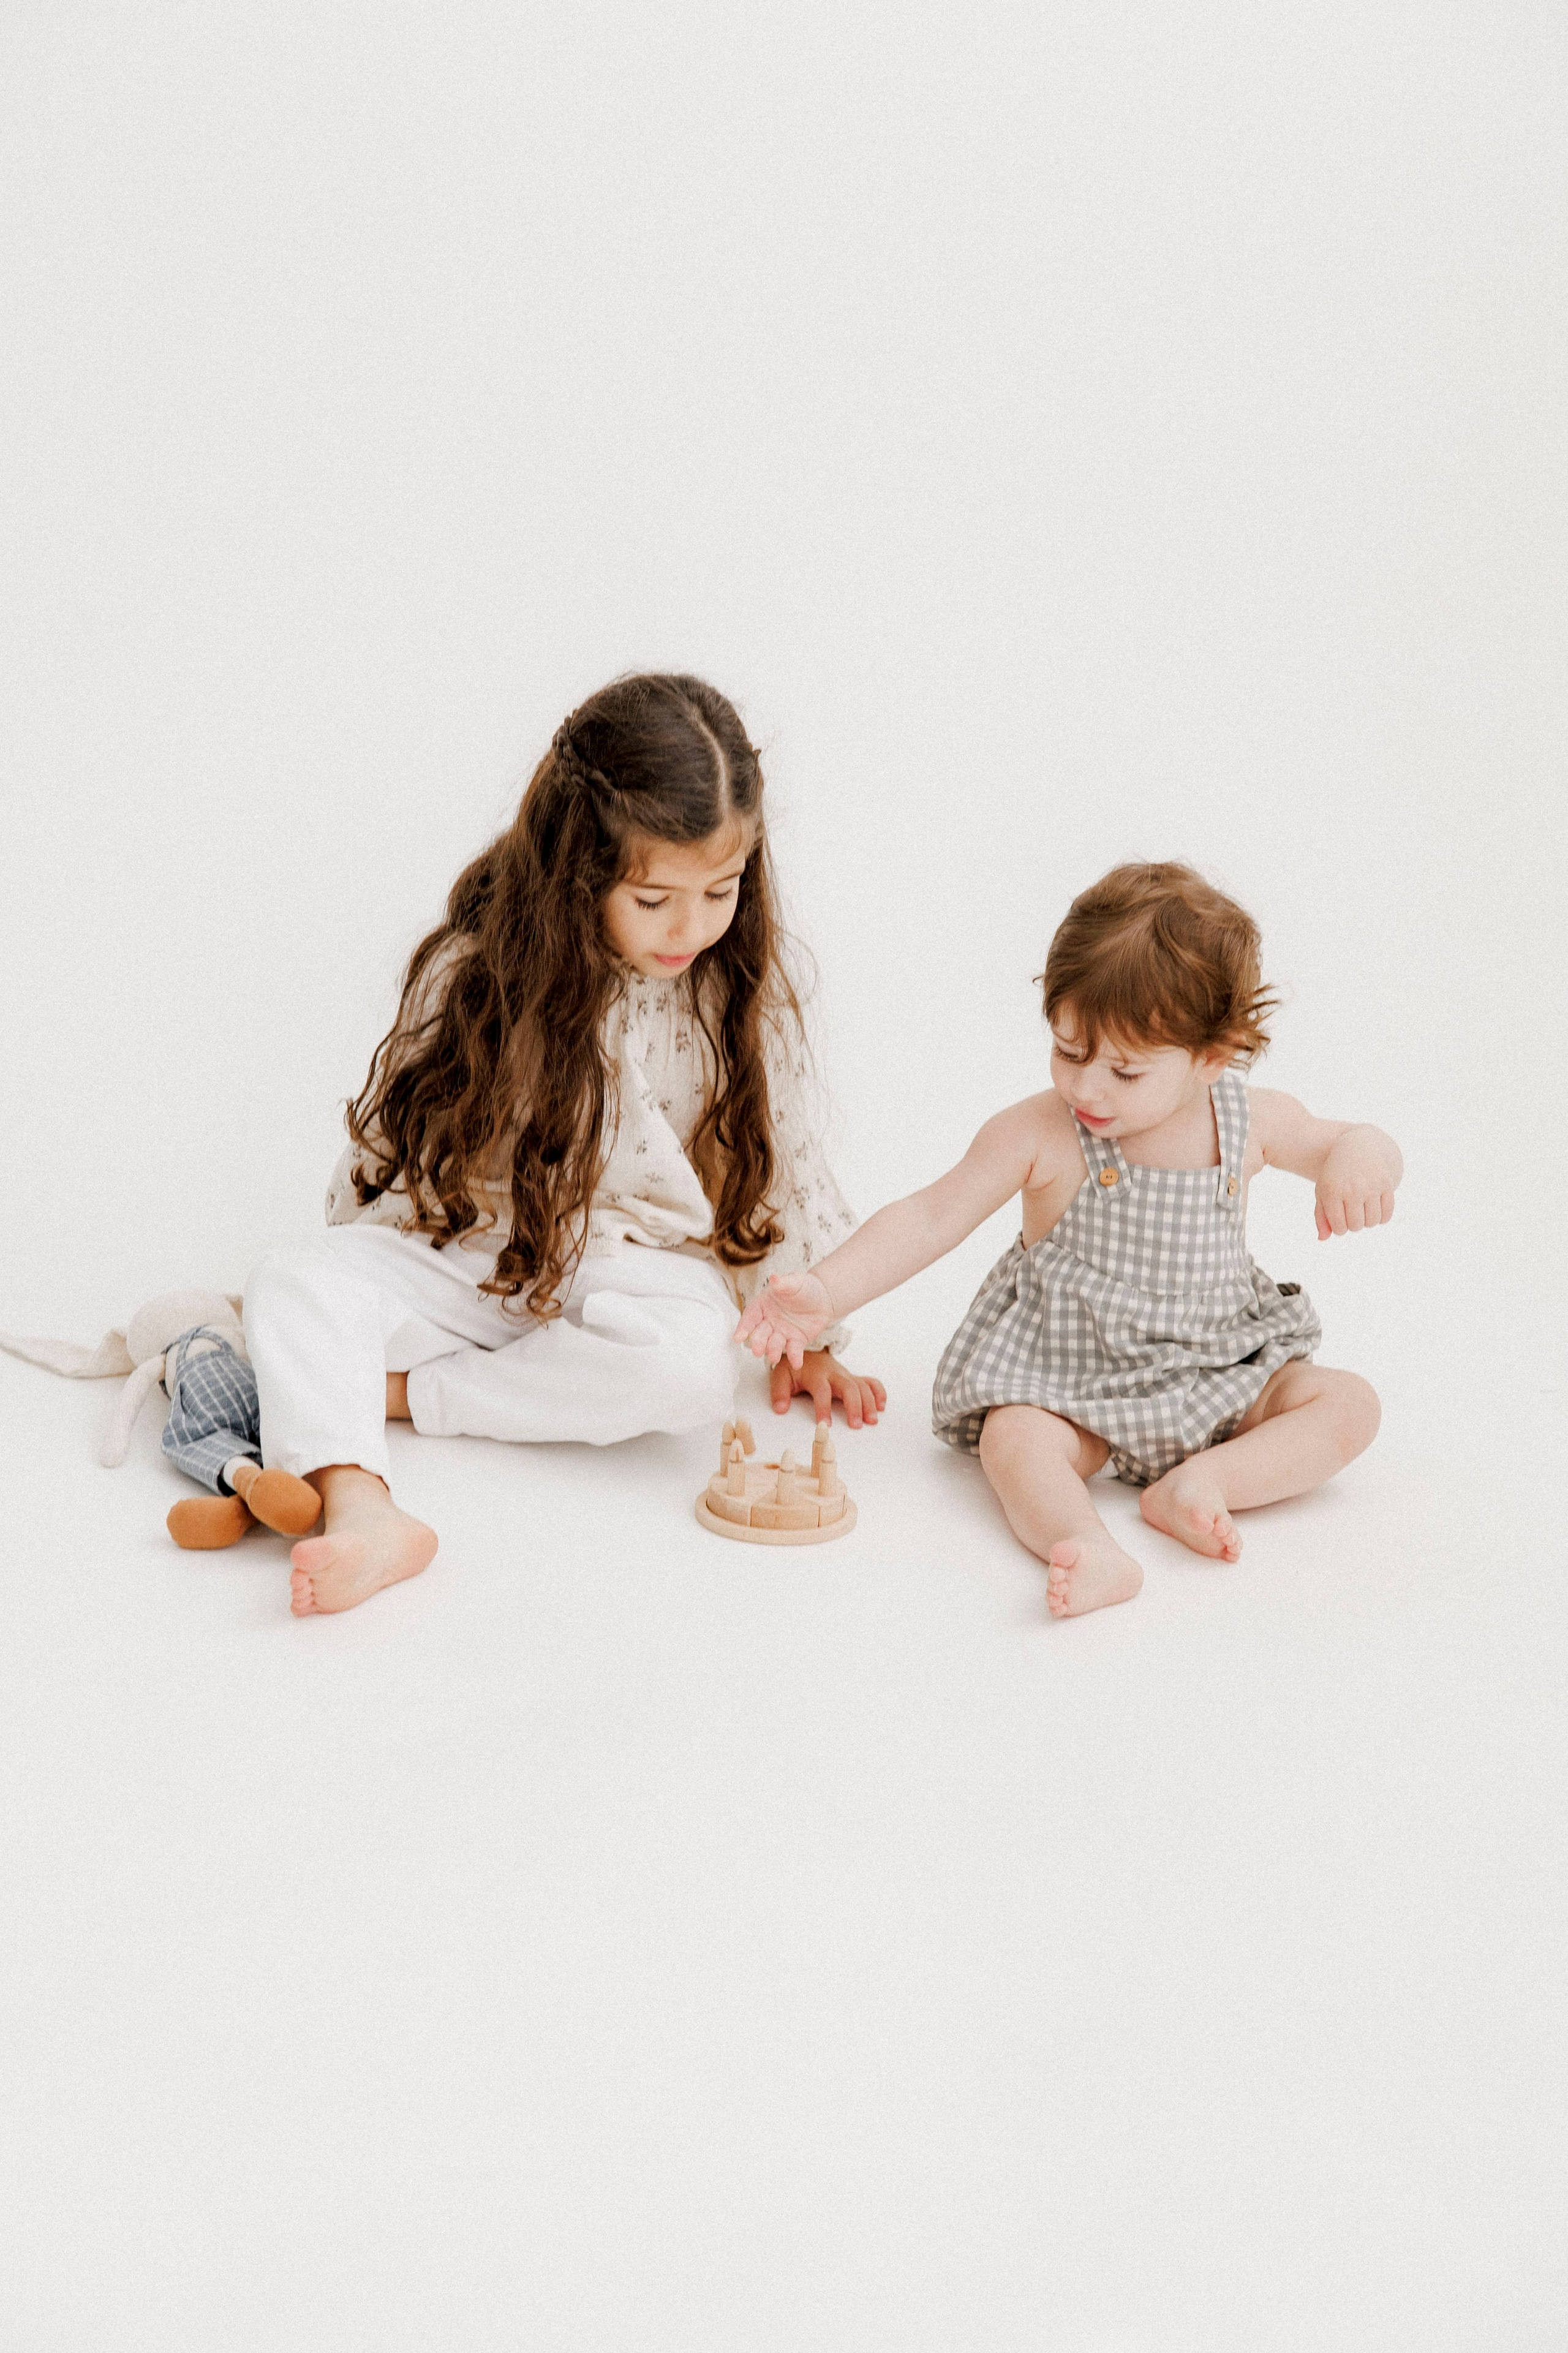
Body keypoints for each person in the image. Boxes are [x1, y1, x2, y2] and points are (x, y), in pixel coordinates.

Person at [246, 673, 884, 1616]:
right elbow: (394, 1137)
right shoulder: (479, 970)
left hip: (628, 1264)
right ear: (580, 870)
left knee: (696, 1366)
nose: (691, 927)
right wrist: (357, 1276)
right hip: (473, 1249)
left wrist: (812, 1330)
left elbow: (782, 1155)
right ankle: (363, 1507)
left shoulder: (735, 986)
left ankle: (398, 1396)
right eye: (654, 896)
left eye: (720, 890)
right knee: (295, 1278)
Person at [735, 861, 1399, 1619]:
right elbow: (928, 1217)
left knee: (1350, 1404)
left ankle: (1206, 1482)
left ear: (1210, 1058)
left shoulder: (1248, 1120)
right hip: (1074, 1384)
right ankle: (1087, 1544)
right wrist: (826, 1292)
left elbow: (1343, 1138)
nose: (1087, 1089)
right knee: (1012, 1439)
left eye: (1124, 1070)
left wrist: (1362, 1157)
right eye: (1069, 1051)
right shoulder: (1039, 1132)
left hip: (1221, 1367)